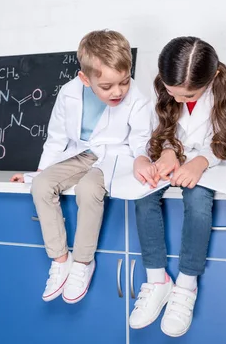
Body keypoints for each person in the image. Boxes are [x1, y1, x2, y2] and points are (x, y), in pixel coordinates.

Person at [11, 30, 154, 304]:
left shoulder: (137, 96)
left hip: (117, 157)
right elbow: (57, 138)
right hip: (81, 154)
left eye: (124, 82)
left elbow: (140, 139)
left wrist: (141, 158)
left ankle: (82, 263)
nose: (118, 92)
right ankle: (60, 260)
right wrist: (41, 172)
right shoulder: (68, 93)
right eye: (108, 87)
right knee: (41, 186)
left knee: (88, 189)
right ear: (85, 79)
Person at [129, 36, 226, 336]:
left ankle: (185, 285)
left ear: (209, 80)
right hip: (175, 157)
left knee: (197, 200)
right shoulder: (161, 83)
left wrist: (200, 163)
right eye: (173, 93)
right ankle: (157, 280)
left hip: (213, 160)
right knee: (144, 194)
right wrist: (169, 151)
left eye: (190, 94)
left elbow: (225, 138)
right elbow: (162, 127)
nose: (180, 100)